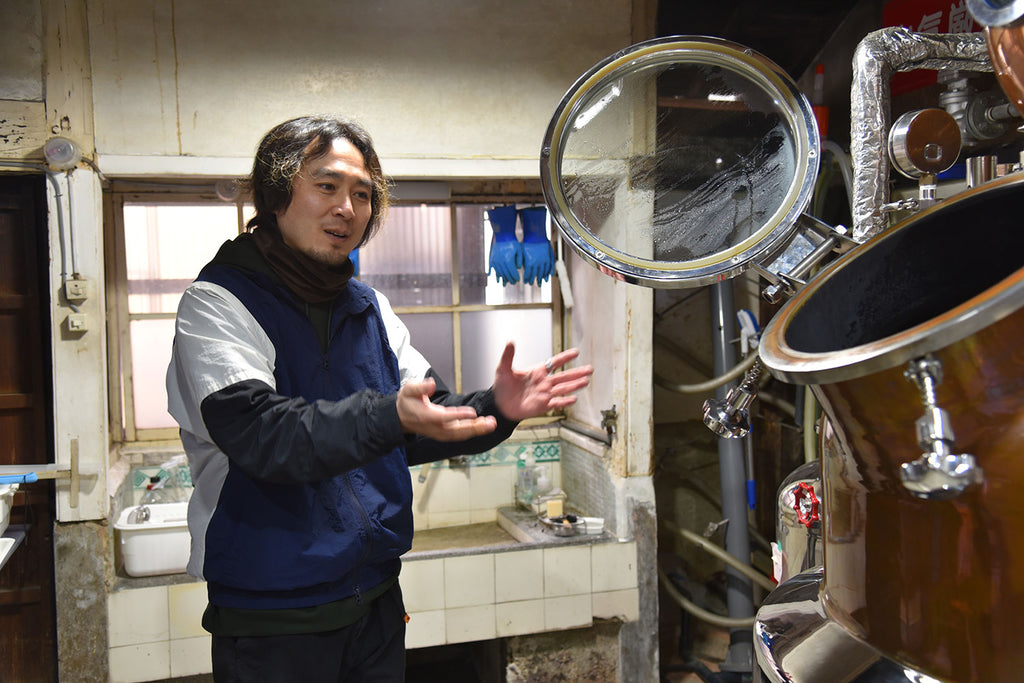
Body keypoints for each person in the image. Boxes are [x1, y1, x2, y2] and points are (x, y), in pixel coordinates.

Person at [165, 115, 593, 682]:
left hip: (376, 599)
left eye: (363, 194)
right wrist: (387, 414)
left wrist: (497, 408)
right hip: (274, 614)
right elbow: (264, 437)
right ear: (275, 194)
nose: (347, 207)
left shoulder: (367, 307)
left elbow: (423, 420)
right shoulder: (218, 303)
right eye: (327, 186)